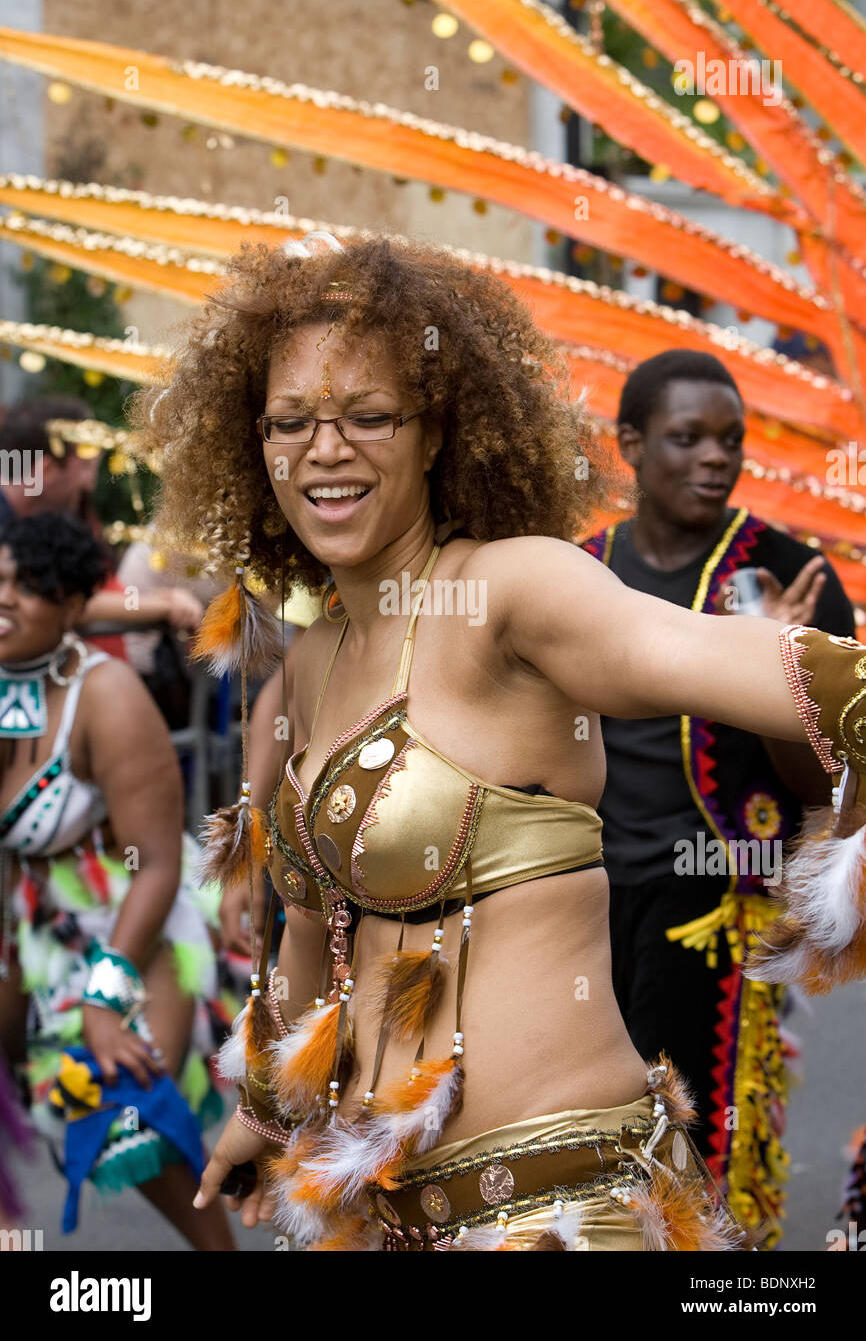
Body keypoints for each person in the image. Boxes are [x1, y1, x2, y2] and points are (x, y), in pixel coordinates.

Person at [132, 233, 866, 1252]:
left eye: (369, 416)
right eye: (288, 422)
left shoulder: (509, 589)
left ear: (436, 433)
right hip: (387, 1216)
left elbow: (696, 652)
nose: (323, 451)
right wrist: (262, 1112)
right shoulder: (313, 660)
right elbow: (307, 934)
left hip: (559, 1215)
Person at [582, 349, 857, 1245]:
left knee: (700, 1153)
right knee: (586, 1148)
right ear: (630, 443)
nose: (715, 458)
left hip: (713, 906)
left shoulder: (787, 570)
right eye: (687, 438)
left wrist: (773, 667)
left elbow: (830, 787)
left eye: (730, 441)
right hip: (574, 899)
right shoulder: (574, 574)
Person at [0, 513, 232, 1249]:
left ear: (72, 608)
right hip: (32, 926)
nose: (3, 600)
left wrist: (106, 995)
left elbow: (157, 865)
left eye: (27, 588)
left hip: (132, 923)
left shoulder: (108, 696)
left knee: (125, 1119)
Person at [0, 396, 204, 654]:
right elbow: (67, 603)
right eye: (85, 467)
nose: (90, 484)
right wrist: (162, 606)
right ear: (48, 470)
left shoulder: (27, 524)